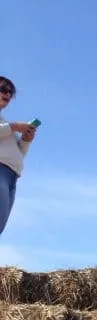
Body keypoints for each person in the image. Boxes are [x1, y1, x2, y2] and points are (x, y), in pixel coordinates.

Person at [0, 76, 37, 236]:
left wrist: (26, 141)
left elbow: (20, 154)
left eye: (10, 92)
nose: (7, 94)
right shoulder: (8, 126)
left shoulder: (4, 123)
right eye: (3, 89)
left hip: (11, 176)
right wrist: (14, 126)